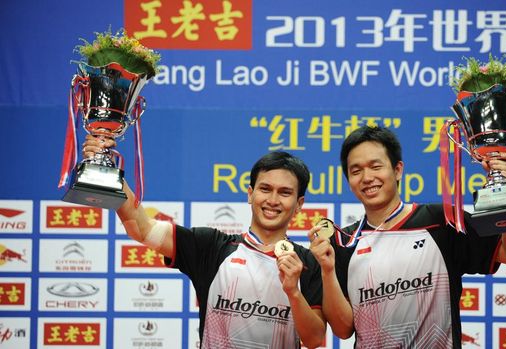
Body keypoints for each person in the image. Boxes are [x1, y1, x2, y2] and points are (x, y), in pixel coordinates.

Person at [83, 135, 326, 349]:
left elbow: (315, 339)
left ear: (299, 204)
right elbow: (141, 228)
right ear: (250, 195)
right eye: (265, 189)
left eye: (285, 192)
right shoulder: (210, 247)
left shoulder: (307, 263)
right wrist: (109, 170)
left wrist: (293, 291)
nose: (273, 200)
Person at [308, 125, 506, 348]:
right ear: (348, 179)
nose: (367, 177)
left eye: (376, 166)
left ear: (397, 170)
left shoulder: (443, 221)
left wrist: (504, 193)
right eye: (356, 171)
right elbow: (343, 329)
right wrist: (327, 270)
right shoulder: (342, 242)